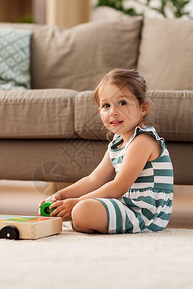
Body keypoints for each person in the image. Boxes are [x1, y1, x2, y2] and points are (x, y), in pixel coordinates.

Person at [39, 68, 173, 234]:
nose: (113, 112)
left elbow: (118, 187)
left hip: (145, 214)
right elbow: (93, 179)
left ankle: (86, 216)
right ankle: (85, 216)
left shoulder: (142, 141)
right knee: (80, 210)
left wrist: (77, 202)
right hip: (126, 206)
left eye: (122, 103)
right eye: (106, 106)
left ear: (143, 107)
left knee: (81, 209)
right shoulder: (117, 143)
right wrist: (61, 196)